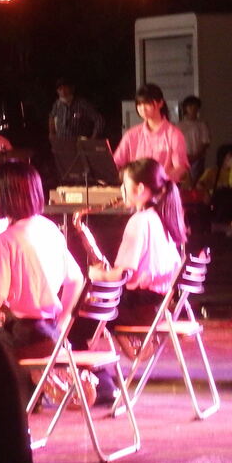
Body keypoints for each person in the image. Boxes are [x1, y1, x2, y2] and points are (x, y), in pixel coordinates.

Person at [71, 157, 187, 403]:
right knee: (88, 314)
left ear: (141, 189)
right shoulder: (164, 218)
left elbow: (123, 274)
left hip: (140, 309)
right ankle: (99, 379)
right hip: (157, 306)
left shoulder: (140, 221)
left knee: (76, 318)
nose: (120, 191)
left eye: (124, 185)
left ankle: (98, 385)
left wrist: (94, 274)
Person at [0, 163, 84, 397]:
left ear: (6, 196)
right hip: (50, 332)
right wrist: (63, 321)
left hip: (22, 336)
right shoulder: (49, 228)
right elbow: (76, 279)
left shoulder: (4, 241)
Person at [112, 83, 188, 184]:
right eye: (139, 104)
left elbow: (180, 168)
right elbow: (116, 163)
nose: (142, 108)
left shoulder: (173, 134)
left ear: (160, 103)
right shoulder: (131, 134)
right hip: (135, 191)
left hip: (162, 190)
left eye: (147, 103)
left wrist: (161, 181)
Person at [178, 96, 211, 184]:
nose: (193, 108)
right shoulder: (179, 126)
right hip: (183, 159)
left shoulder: (202, 125)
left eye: (195, 106)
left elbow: (205, 142)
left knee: (197, 183)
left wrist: (195, 156)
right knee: (184, 183)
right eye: (190, 106)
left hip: (198, 159)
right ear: (185, 108)